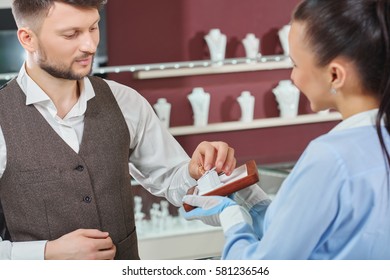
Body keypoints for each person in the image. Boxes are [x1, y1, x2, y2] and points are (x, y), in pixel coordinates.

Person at [0, 0, 236, 260]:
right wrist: (46, 254)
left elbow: (173, 181)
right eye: (71, 34)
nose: (90, 45)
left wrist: (194, 171)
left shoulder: (126, 102)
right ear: (27, 38)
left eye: (93, 27)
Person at [183, 0, 390, 259]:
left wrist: (231, 216)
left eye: (295, 64)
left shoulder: (329, 158)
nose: (292, 77)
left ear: (335, 75)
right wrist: (256, 204)